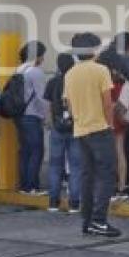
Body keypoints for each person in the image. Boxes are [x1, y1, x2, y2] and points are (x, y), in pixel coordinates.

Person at [65, 33, 122, 238]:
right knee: (106, 175)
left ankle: (87, 220)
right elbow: (107, 102)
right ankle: (99, 220)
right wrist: (109, 125)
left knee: (87, 176)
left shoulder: (70, 74)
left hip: (81, 130)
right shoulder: (101, 70)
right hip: (100, 129)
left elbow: (69, 106)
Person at [44, 52, 81, 213]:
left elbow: (49, 107)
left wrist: (51, 123)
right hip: (75, 128)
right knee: (75, 166)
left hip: (57, 128)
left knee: (55, 166)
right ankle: (74, 203)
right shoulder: (77, 82)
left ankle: (53, 202)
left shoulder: (52, 82)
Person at [96, 48, 129, 202]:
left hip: (103, 119)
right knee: (120, 152)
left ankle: (107, 187)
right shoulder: (120, 79)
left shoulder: (100, 78)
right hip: (118, 117)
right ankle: (121, 187)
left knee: (105, 155)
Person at [16, 40, 49, 195]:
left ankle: (24, 186)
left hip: (19, 115)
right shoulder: (35, 72)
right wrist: (46, 116)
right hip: (32, 115)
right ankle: (32, 187)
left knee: (25, 151)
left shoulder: (19, 69)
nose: (43, 59)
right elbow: (41, 98)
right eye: (42, 55)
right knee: (37, 150)